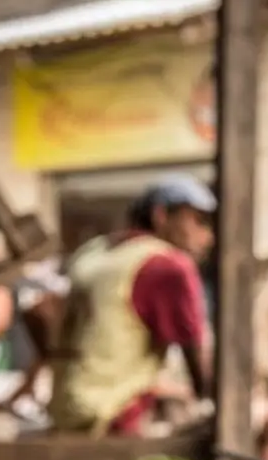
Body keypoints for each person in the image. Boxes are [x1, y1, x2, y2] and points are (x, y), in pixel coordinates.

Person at [37, 174, 215, 436]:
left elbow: (40, 310)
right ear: (161, 216)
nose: (206, 237)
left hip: (66, 413)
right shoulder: (168, 264)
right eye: (198, 222)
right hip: (116, 419)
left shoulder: (92, 251)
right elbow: (201, 372)